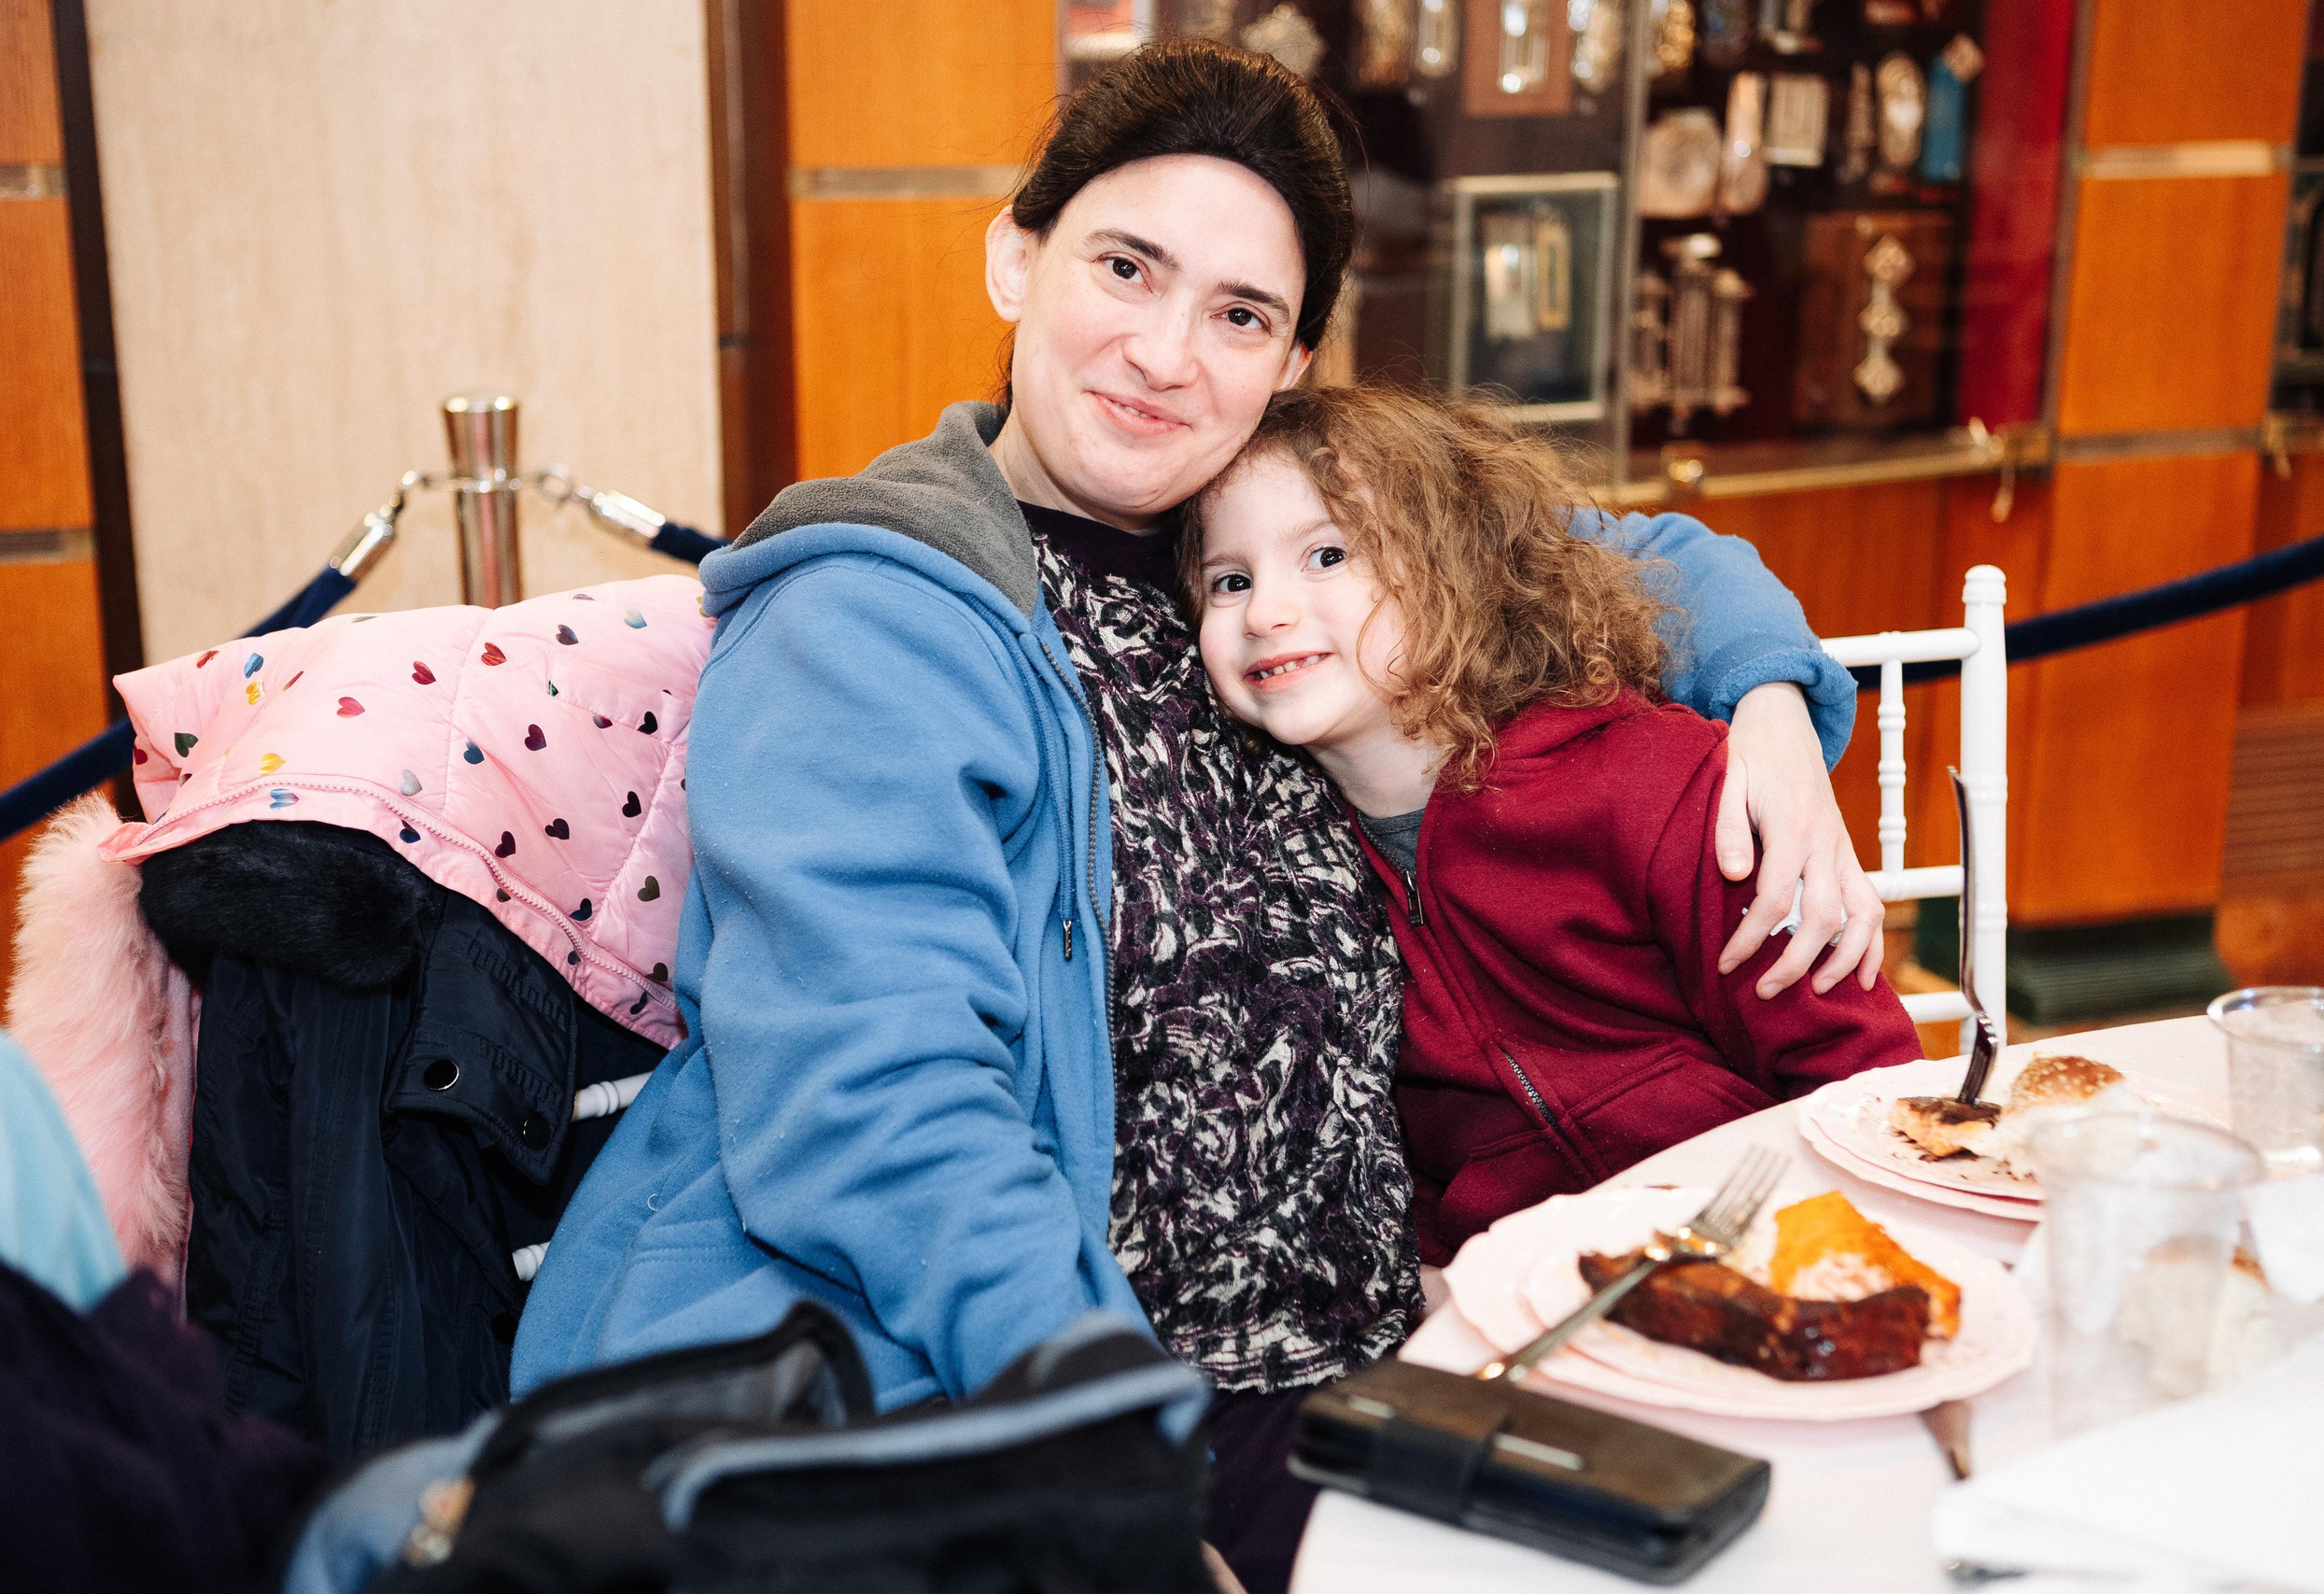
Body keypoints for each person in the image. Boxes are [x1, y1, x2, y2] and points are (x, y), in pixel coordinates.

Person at [515, 37, 1882, 1594]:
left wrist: (1766, 707)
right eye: (1125, 268)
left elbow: (1633, 554)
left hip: (1374, 1356)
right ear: (1015, 258)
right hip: (998, 1382)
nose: (1169, 355)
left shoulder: (1266, 550)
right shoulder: (877, 617)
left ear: (1292, 358)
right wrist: (1116, 1468)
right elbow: (876, 1108)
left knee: (1800, 1529)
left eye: (1239, 315)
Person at [1188, 385, 1923, 1267]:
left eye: (1328, 554)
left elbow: (1861, 1069)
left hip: (1762, 1249)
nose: (1266, 609)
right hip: (1515, 1290)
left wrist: (1831, 1253)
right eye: (1231, 580)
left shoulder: (1652, 782)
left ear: (1455, 570)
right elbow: (1384, 1146)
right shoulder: (1295, 866)